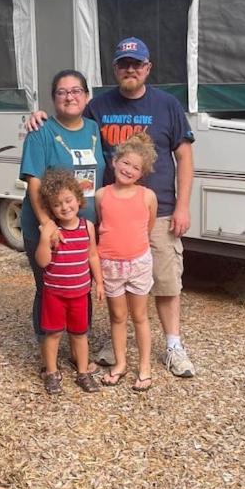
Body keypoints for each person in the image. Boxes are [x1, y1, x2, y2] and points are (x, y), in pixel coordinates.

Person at [26, 38, 195, 378]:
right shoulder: (97, 108)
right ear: (115, 69)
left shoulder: (167, 105)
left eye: (137, 64)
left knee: (164, 281)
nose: (130, 69)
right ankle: (106, 346)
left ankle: (174, 344)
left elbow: (185, 156)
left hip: (158, 208)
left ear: (148, 68)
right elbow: (66, 120)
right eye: (123, 64)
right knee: (108, 280)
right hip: (108, 214)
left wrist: (182, 206)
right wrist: (36, 116)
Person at [19, 70, 104, 371]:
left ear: (86, 96)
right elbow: (34, 182)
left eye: (76, 90)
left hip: (85, 230)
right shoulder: (40, 131)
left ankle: (79, 354)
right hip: (50, 231)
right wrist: (46, 225)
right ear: (53, 98)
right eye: (62, 92)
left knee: (81, 288)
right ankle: (49, 360)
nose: (70, 96)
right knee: (49, 291)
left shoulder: (94, 129)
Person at [96, 133, 157, 391]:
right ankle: (120, 363)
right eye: (125, 163)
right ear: (115, 161)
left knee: (140, 316)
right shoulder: (101, 195)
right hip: (110, 264)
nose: (128, 169)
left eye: (135, 167)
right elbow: (103, 223)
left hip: (138, 263)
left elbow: (148, 227)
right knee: (117, 316)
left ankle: (145, 367)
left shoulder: (147, 196)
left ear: (142, 173)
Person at [35, 169, 104, 395]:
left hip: (80, 293)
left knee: (80, 334)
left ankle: (83, 373)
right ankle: (52, 373)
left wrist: (100, 283)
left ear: (78, 198)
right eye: (57, 204)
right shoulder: (52, 230)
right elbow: (43, 262)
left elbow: (92, 255)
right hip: (55, 293)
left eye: (68, 200)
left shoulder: (87, 226)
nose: (64, 207)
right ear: (50, 208)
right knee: (53, 334)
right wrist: (45, 237)